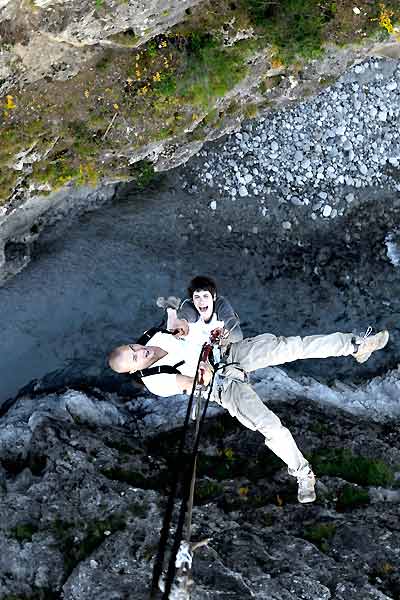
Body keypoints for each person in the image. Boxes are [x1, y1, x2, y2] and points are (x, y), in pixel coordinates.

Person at [108, 327, 389, 503]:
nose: (140, 352)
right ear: (134, 371)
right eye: (135, 358)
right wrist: (203, 372)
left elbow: (181, 329)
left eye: (133, 348)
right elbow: (196, 383)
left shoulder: (150, 336)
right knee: (272, 428)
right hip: (223, 385)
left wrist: (191, 328)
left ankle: (356, 346)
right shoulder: (156, 382)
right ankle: (303, 474)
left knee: (292, 346)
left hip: (229, 353)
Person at [158, 276, 243, 345]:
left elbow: (234, 328)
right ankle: (170, 309)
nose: (201, 301)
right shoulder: (189, 306)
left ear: (213, 297)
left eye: (205, 296)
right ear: (192, 299)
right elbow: (188, 314)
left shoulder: (221, 305)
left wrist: (226, 336)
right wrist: (182, 322)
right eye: (197, 297)